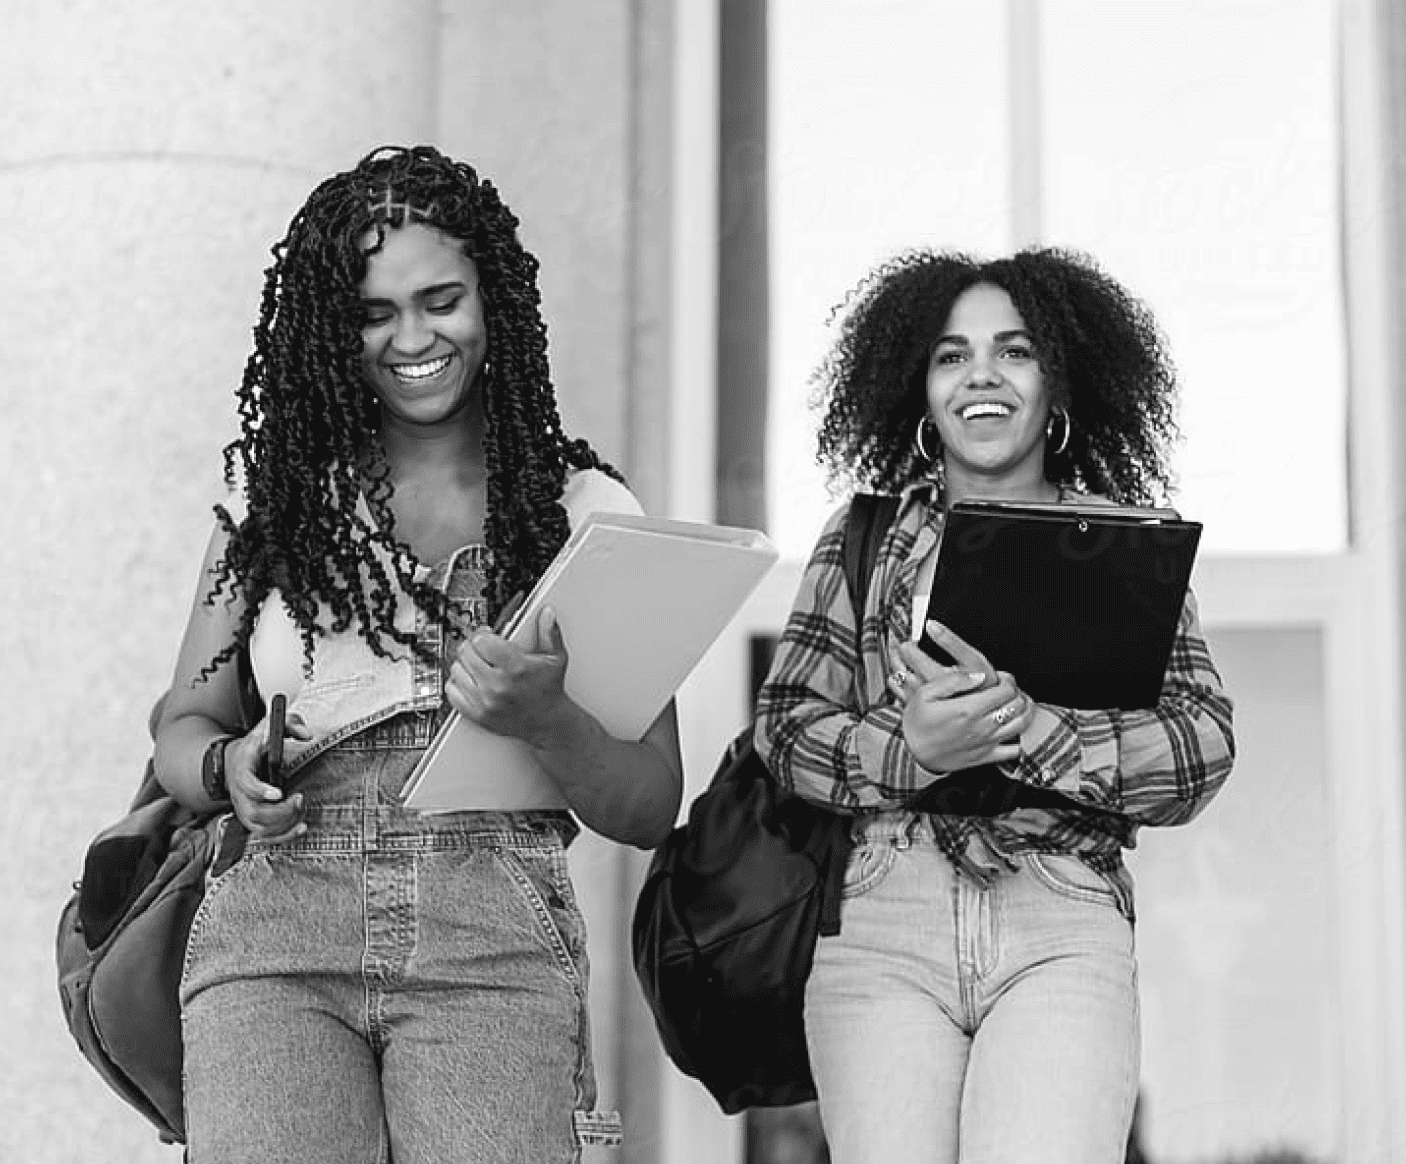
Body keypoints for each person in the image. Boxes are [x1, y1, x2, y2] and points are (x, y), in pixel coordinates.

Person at [152, 145, 684, 1164]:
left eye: (440, 299)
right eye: (371, 313)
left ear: (493, 297)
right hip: (274, 923)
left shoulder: (584, 519)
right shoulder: (274, 516)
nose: (411, 338)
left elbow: (650, 802)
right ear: (331, 331)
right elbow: (181, 724)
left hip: (493, 930)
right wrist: (227, 769)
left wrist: (546, 719)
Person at [752, 247, 1236, 1164]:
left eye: (1014, 351)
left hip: (1061, 916)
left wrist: (1029, 731)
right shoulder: (865, 539)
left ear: (1058, 385)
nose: (980, 373)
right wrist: (914, 750)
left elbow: (1202, 745)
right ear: (920, 391)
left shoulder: (1122, 546)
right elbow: (784, 731)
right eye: (950, 355)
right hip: (881, 922)